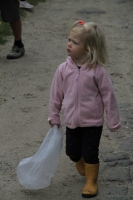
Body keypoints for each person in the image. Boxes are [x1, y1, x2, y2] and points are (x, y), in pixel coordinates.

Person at [48, 20, 121, 198]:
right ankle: (80, 163)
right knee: (72, 152)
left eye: (74, 42)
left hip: (93, 122)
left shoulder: (98, 71)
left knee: (90, 152)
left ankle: (91, 181)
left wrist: (113, 120)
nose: (69, 44)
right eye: (69, 39)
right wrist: (54, 116)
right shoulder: (63, 69)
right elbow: (55, 94)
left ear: (88, 49)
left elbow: (108, 96)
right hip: (71, 120)